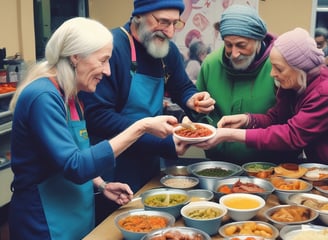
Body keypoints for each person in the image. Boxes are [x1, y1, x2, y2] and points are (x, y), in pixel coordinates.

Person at [8, 17, 180, 240]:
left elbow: (75, 151)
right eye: (103, 60)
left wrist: (101, 183)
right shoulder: (43, 97)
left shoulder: (72, 96)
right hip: (44, 222)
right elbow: (76, 166)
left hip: (74, 214)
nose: (107, 71)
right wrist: (141, 126)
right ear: (76, 57)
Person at [79, 0, 215, 224]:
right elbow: (98, 117)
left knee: (152, 221)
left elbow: (181, 85)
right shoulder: (111, 48)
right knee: (117, 224)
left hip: (148, 158)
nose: (170, 32)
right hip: (112, 162)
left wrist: (192, 98)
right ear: (139, 16)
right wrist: (162, 142)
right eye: (163, 22)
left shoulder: (166, 51)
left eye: (175, 23)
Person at [196, 27, 328, 163]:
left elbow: (292, 135)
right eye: (273, 67)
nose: (272, 74)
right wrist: (247, 120)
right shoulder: (293, 85)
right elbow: (277, 118)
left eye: (279, 69)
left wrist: (232, 134)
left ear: (300, 69)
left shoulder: (323, 93)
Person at [195, 4, 299, 164]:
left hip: (273, 166)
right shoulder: (210, 65)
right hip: (220, 164)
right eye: (228, 45)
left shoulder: (279, 65)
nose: (234, 53)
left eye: (241, 45)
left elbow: (290, 121)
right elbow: (198, 112)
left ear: (259, 40)